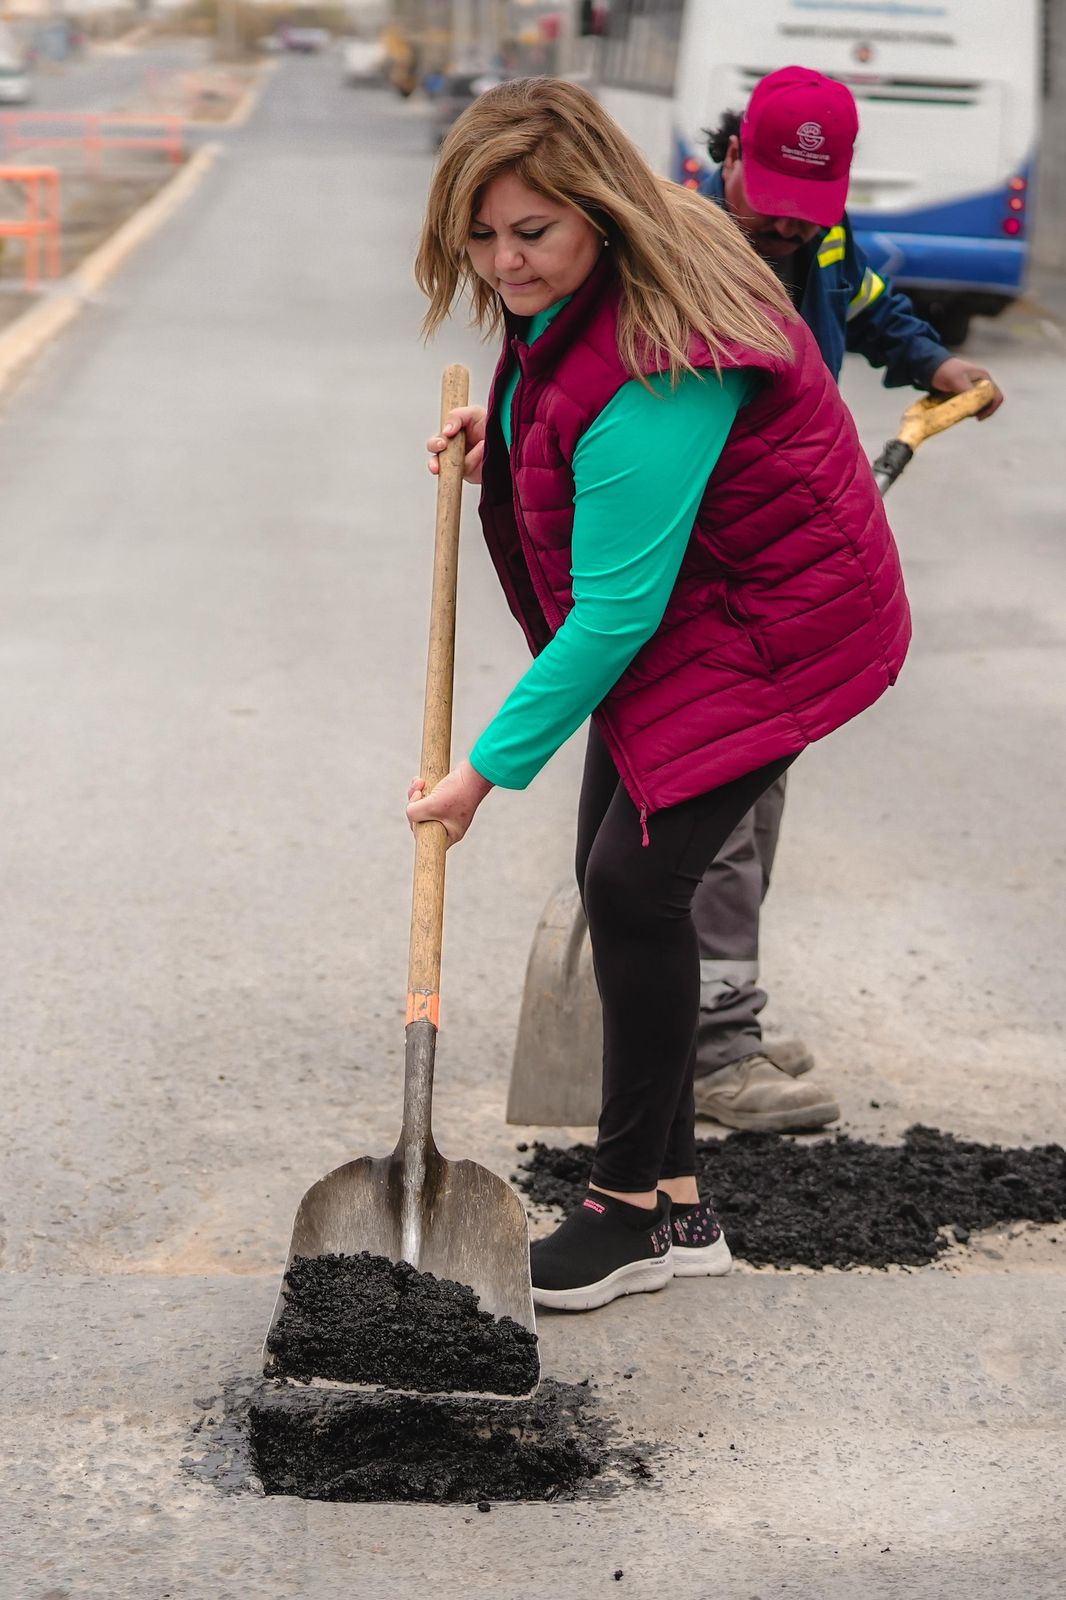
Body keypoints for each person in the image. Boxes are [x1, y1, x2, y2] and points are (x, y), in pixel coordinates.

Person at [409, 77, 910, 1312]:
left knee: (636, 885)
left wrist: (480, 772)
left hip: (775, 626)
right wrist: (506, 428)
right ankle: (682, 1215)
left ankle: (625, 1210)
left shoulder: (662, 360)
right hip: (706, 605)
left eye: (531, 232)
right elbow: (563, 392)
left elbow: (614, 612)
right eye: (481, 235)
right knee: (616, 875)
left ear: (594, 210)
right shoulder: (605, 284)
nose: (504, 260)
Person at [686, 66, 1002, 1134]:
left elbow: (869, 306)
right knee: (721, 803)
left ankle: (713, 1007)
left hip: (788, 563)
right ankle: (711, 1051)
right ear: (730, 156)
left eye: (804, 210)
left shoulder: (818, 239)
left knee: (760, 794)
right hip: (706, 564)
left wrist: (931, 363)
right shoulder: (679, 249)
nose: (781, 225)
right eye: (766, 197)